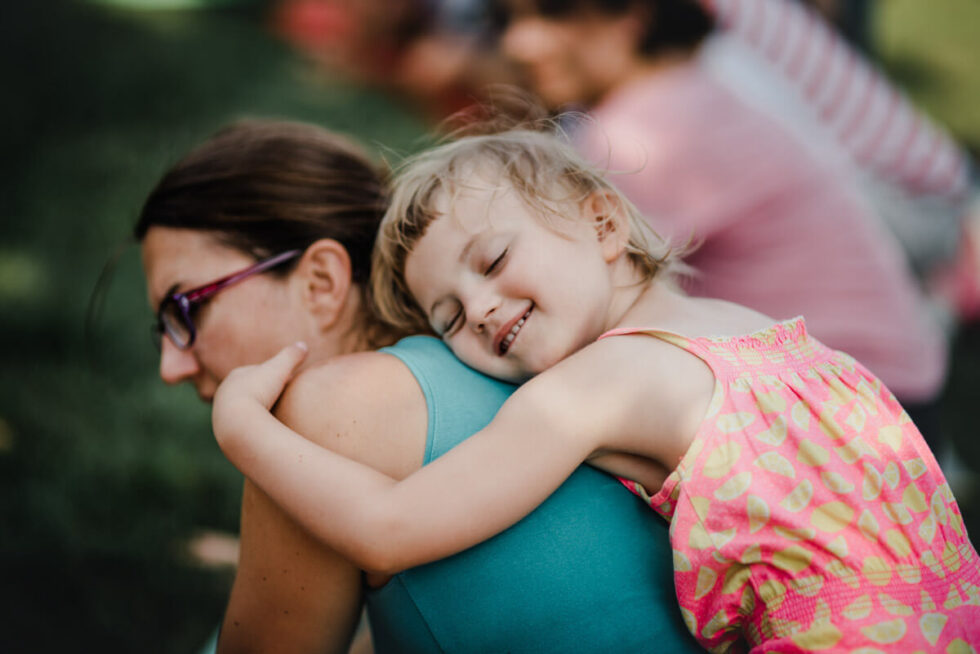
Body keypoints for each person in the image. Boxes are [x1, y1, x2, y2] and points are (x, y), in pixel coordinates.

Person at [213, 128, 980, 652]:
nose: (478, 310)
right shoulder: (763, 331)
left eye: (492, 260)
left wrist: (247, 427)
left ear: (605, 223)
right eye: (446, 318)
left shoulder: (595, 386)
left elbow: (387, 529)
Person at [137, 119, 699, 652]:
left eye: (184, 310)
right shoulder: (593, 356)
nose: (171, 365)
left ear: (322, 281)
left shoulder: (331, 416)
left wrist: (242, 427)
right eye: (449, 316)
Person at [493, 0, 953, 452]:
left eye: (553, 12)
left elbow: (571, 304)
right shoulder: (689, 89)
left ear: (631, 17)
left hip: (851, 408)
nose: (518, 43)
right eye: (506, 19)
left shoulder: (644, 133)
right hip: (881, 382)